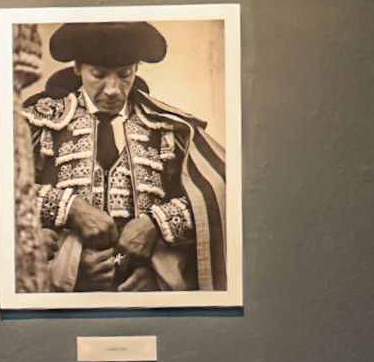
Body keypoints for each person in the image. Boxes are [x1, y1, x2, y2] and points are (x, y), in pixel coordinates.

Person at [22, 21, 228, 292]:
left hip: (142, 289)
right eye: (98, 74)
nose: (112, 89)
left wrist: (155, 226)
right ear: (77, 68)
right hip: (60, 289)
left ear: (136, 70)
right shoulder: (39, 121)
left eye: (124, 74)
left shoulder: (169, 127)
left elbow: (221, 190)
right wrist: (70, 211)